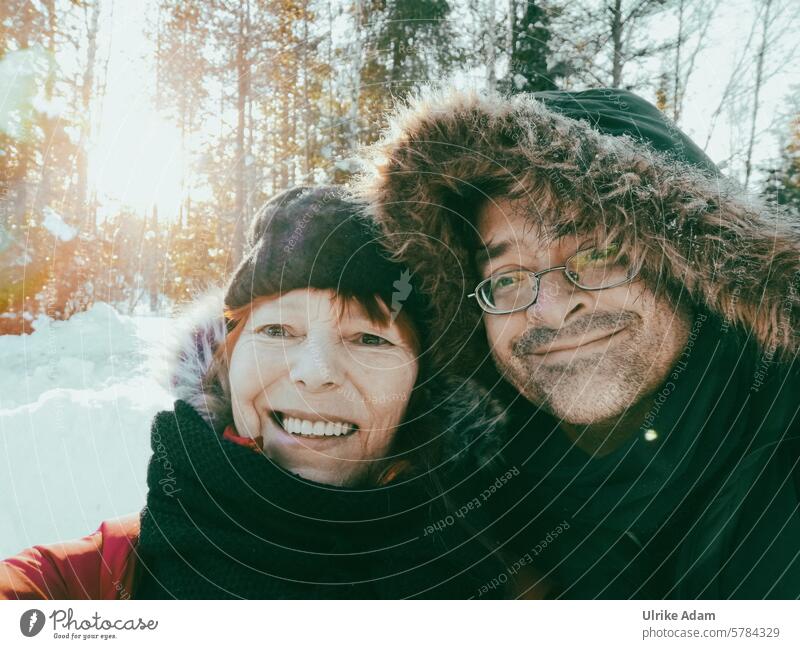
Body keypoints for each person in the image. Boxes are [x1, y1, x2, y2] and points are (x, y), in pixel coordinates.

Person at [355, 88, 800, 598]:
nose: (550, 307)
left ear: (691, 268)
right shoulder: (474, 511)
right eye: (507, 277)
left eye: (598, 254)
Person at [0, 186, 518, 600]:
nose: (314, 375)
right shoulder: (99, 580)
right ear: (225, 360)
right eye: (277, 331)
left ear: (423, 386)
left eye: (368, 338)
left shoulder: (502, 587)